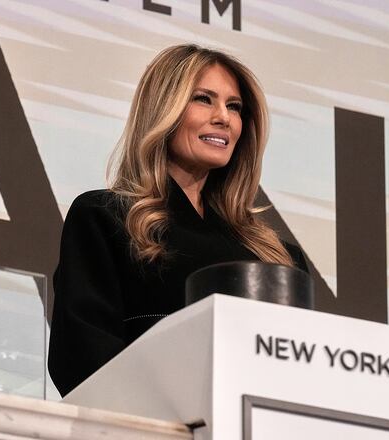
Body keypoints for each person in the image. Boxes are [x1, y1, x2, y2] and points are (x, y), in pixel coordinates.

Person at [48, 45, 308, 397]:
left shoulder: (279, 258)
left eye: (234, 107)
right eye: (204, 99)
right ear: (163, 109)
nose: (224, 118)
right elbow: (81, 360)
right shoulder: (105, 218)